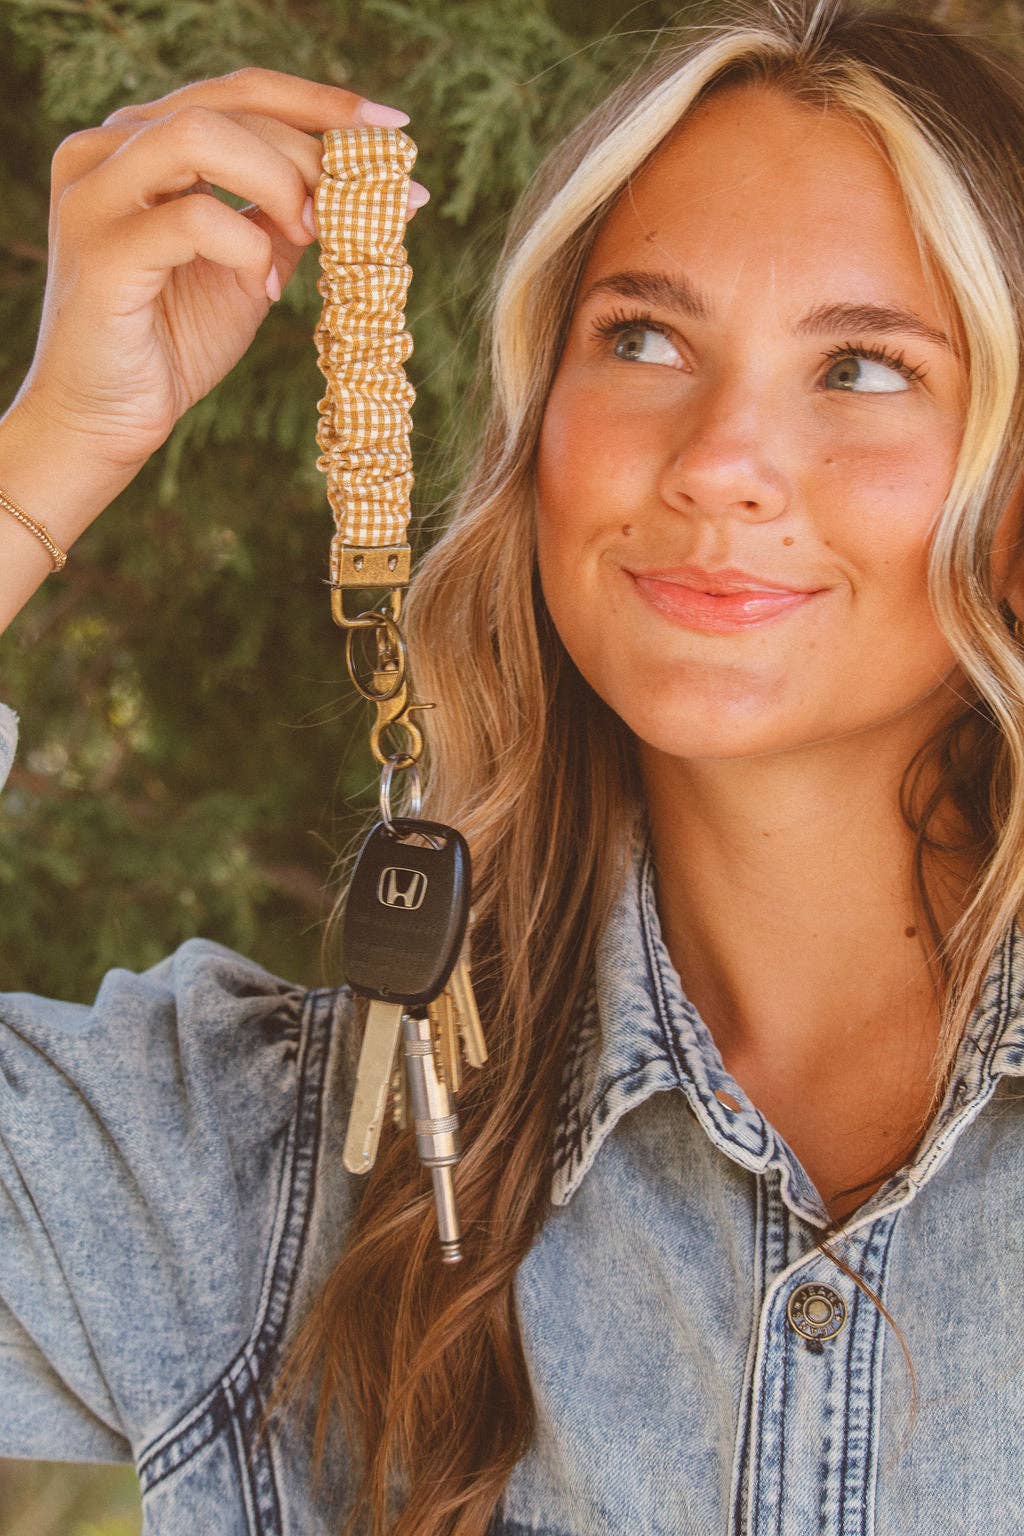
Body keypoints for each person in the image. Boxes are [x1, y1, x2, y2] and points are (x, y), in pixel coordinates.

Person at [1, 0, 1022, 1530]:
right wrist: (46, 458)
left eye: (864, 368)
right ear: (539, 431)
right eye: (644, 339)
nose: (719, 462)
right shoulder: (265, 1183)